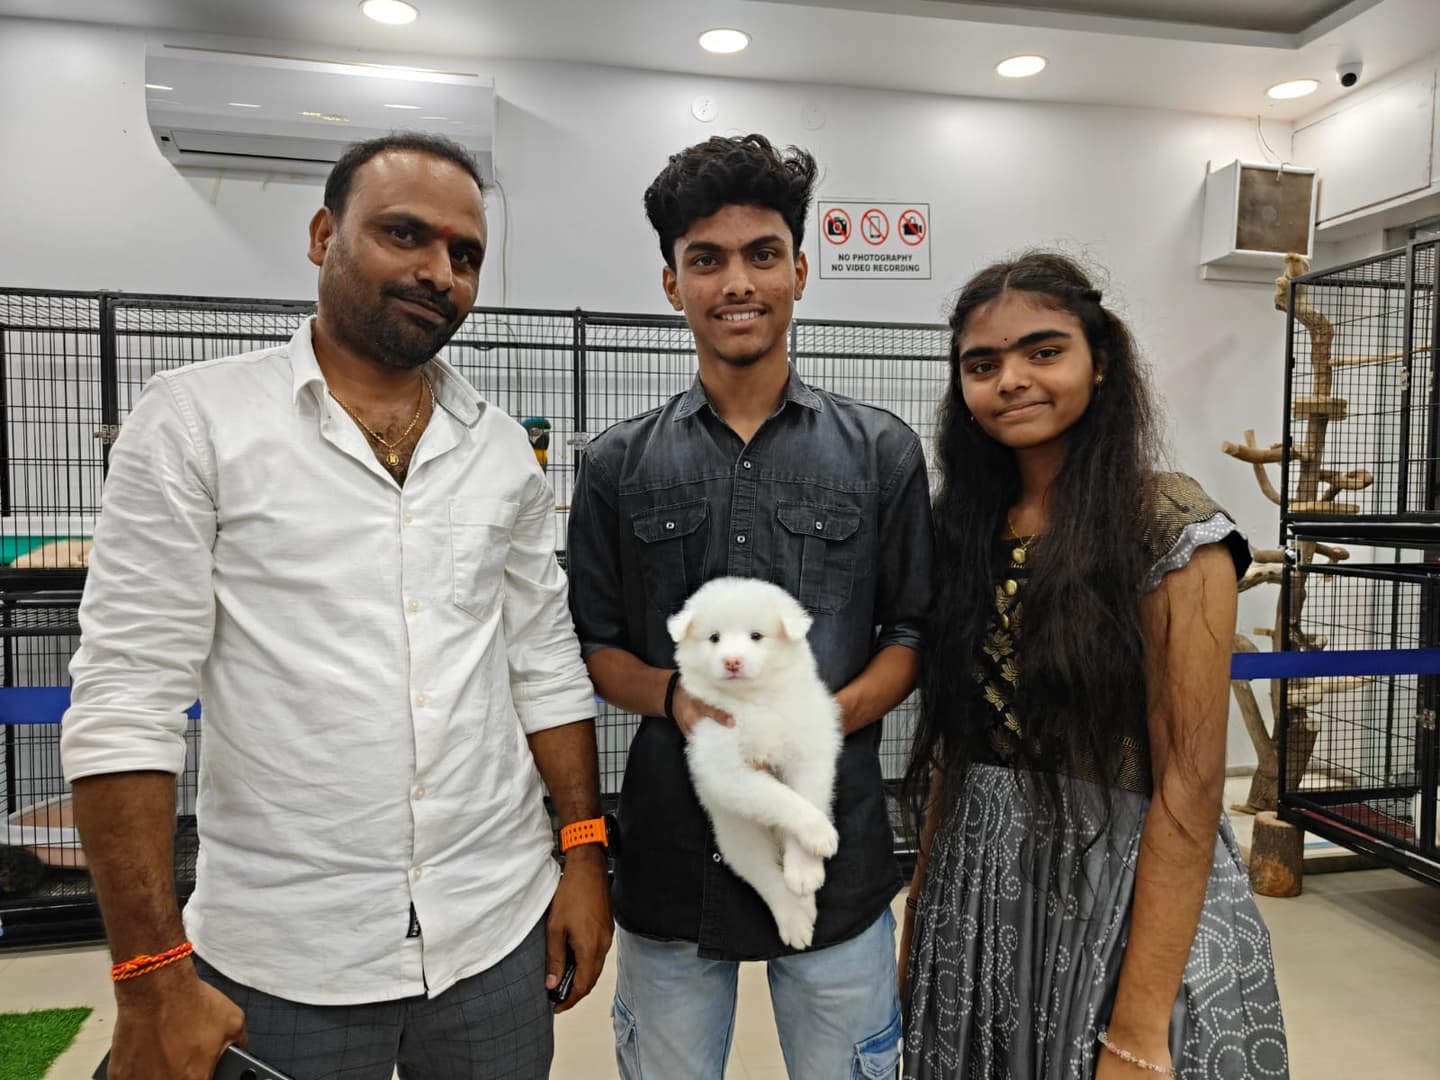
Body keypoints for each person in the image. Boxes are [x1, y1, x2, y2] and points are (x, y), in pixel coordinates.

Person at [60, 132, 612, 1080]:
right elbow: (125, 702)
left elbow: (542, 662)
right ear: (324, 235)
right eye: (405, 234)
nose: (439, 271)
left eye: (465, 254)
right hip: (284, 955)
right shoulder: (198, 421)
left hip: (493, 929)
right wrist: (150, 975)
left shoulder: (497, 452)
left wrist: (585, 856)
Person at [565, 133, 933, 1079]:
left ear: (800, 271)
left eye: (762, 255)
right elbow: (598, 645)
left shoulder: (880, 454)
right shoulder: (616, 466)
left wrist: (828, 718)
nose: (738, 281)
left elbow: (910, 632)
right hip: (671, 860)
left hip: (834, 856)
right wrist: (682, 704)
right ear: (672, 283)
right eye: (707, 260)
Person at [899, 252, 1289, 1079]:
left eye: (1043, 351)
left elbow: (1188, 783)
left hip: (1120, 886)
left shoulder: (1165, 524)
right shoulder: (960, 528)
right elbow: (953, 750)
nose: (1011, 379)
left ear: (1099, 362)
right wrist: (920, 917)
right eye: (983, 364)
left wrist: (1140, 1028)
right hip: (974, 888)